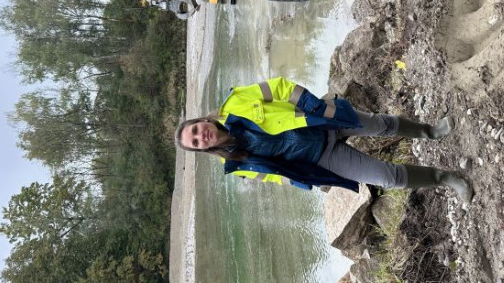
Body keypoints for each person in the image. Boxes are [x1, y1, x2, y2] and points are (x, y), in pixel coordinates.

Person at [175, 76, 473, 202]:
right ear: (203, 149)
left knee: (381, 125)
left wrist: (315, 105)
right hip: (321, 158)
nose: (202, 136)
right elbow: (272, 176)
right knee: (388, 178)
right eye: (196, 142)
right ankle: (445, 178)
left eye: (196, 130)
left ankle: (430, 131)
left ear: (202, 121)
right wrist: (304, 181)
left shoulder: (235, 102)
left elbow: (278, 88)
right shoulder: (234, 164)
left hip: (321, 121)